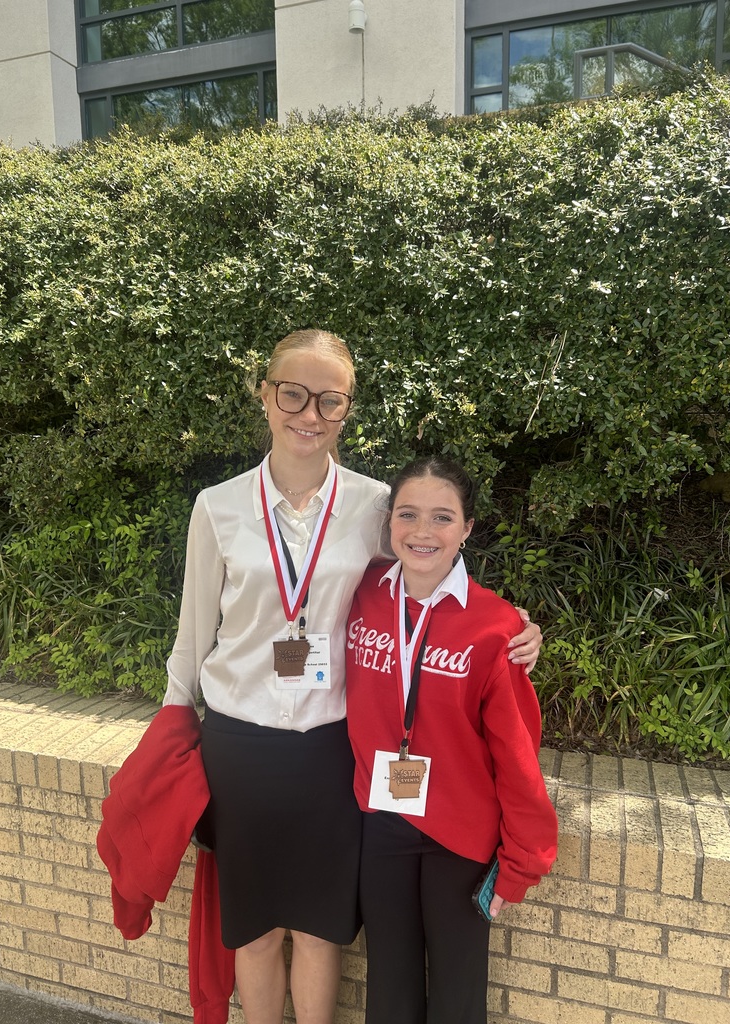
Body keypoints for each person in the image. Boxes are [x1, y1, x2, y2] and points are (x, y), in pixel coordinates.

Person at [163, 330, 543, 1024]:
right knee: (252, 927)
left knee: (318, 926)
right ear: (265, 394)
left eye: (329, 400)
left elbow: (424, 574)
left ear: (346, 410)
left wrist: (509, 623)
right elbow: (192, 637)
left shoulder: (373, 505)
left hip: (331, 748)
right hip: (241, 748)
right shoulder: (216, 508)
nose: (309, 413)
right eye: (293, 393)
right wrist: (169, 726)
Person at [345, 457, 558, 1024]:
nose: (422, 532)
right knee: (388, 983)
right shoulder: (356, 592)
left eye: (443, 517)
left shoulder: (496, 626)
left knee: (458, 995)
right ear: (390, 522)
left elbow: (516, 751)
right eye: (408, 515)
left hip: (461, 832)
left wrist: (523, 858)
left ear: (466, 529)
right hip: (381, 818)